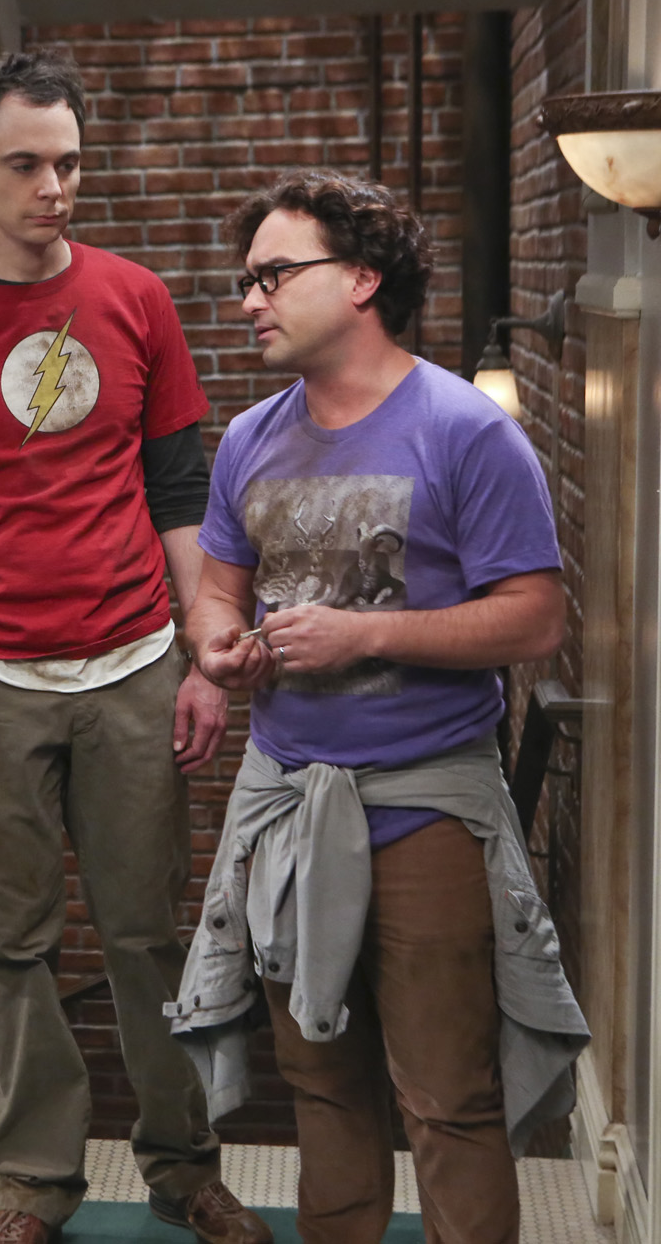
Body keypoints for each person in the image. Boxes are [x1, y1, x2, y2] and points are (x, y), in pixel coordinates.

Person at [0, 51, 271, 1244]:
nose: (52, 188)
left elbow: (178, 488)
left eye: (68, 164)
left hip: (132, 660)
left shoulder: (134, 299)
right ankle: (32, 1182)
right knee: (9, 943)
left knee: (148, 932)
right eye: (25, 164)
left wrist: (201, 650)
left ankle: (184, 1167)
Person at [170, 171, 590, 1243]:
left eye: (273, 274)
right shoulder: (248, 439)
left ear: (361, 278)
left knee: (446, 1097)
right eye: (247, 279)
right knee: (320, 1091)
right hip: (286, 806)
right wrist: (217, 645)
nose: (250, 299)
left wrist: (364, 634)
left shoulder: (464, 431)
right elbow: (217, 590)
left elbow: (535, 619)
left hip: (425, 808)